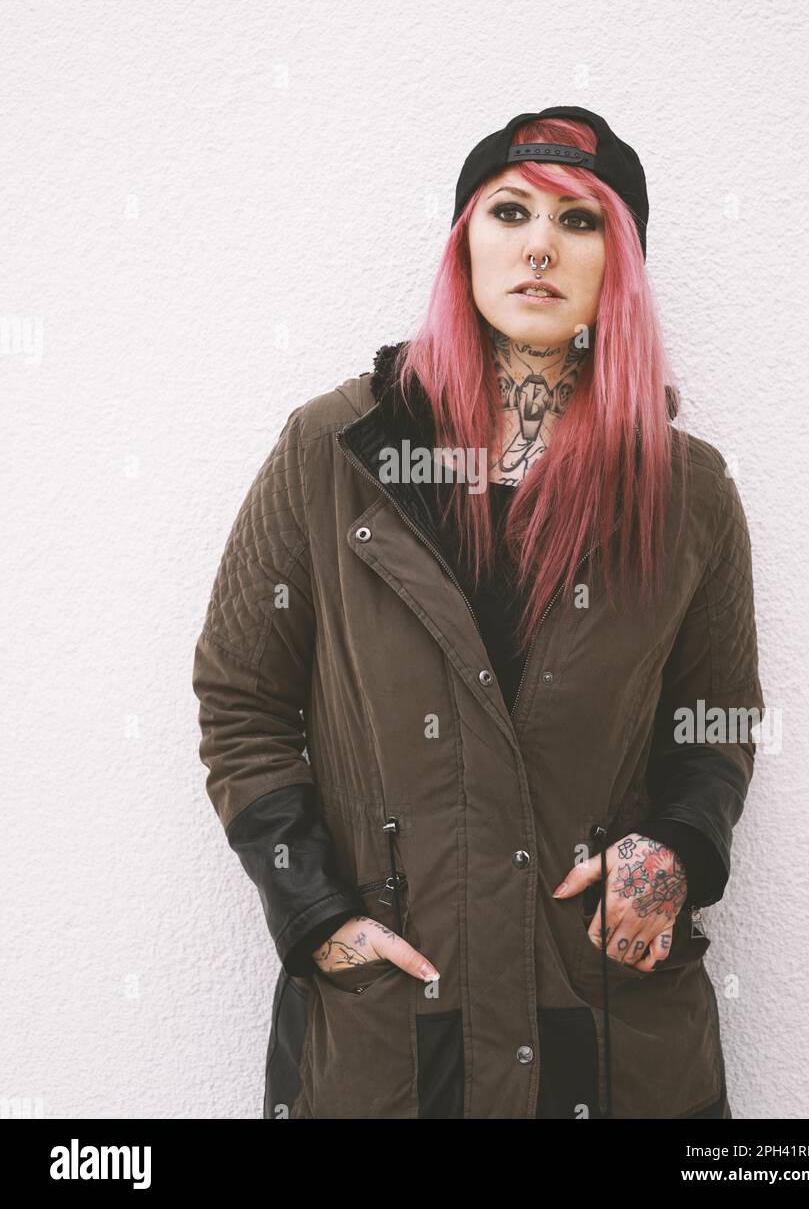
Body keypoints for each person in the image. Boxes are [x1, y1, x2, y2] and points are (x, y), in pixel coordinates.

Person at [192, 105, 764, 1120]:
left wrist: (675, 846)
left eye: (578, 221)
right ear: (464, 247)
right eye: (508, 212)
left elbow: (713, 720)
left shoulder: (685, 493)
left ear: (616, 269)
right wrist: (319, 913)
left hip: (604, 1029)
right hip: (394, 1037)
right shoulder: (336, 454)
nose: (538, 243)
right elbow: (240, 699)